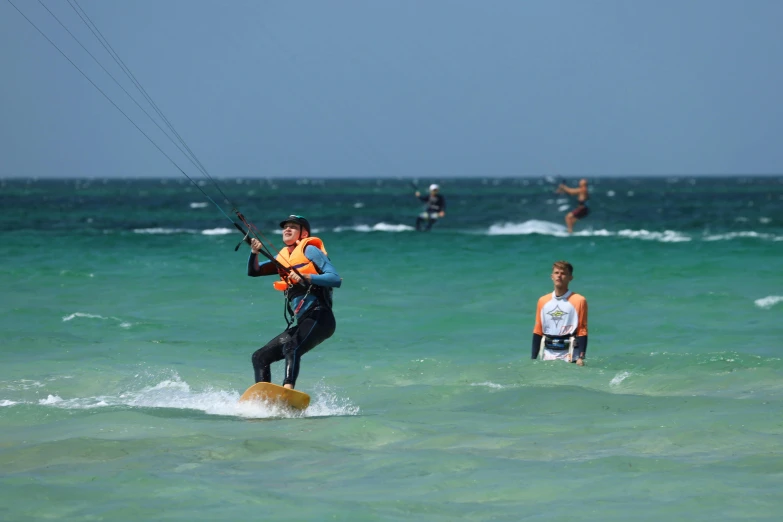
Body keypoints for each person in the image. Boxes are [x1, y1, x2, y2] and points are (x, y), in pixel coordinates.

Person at [247, 215, 342, 389]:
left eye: (293, 227)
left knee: (291, 347)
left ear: (303, 234)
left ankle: (287, 389)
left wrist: (306, 276)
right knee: (259, 357)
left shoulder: (310, 251)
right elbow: (255, 271)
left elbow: (335, 279)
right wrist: (254, 252)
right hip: (303, 321)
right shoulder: (283, 257)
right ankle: (263, 397)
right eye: (285, 227)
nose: (287, 229)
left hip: (320, 317)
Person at [531, 261, 588, 365]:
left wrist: (581, 357)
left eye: (563, 273)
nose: (559, 276)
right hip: (547, 355)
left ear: (570, 278)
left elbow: (582, 329)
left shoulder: (579, 300)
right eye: (556, 273)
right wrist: (533, 359)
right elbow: (538, 331)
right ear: (552, 276)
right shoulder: (542, 301)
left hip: (570, 355)